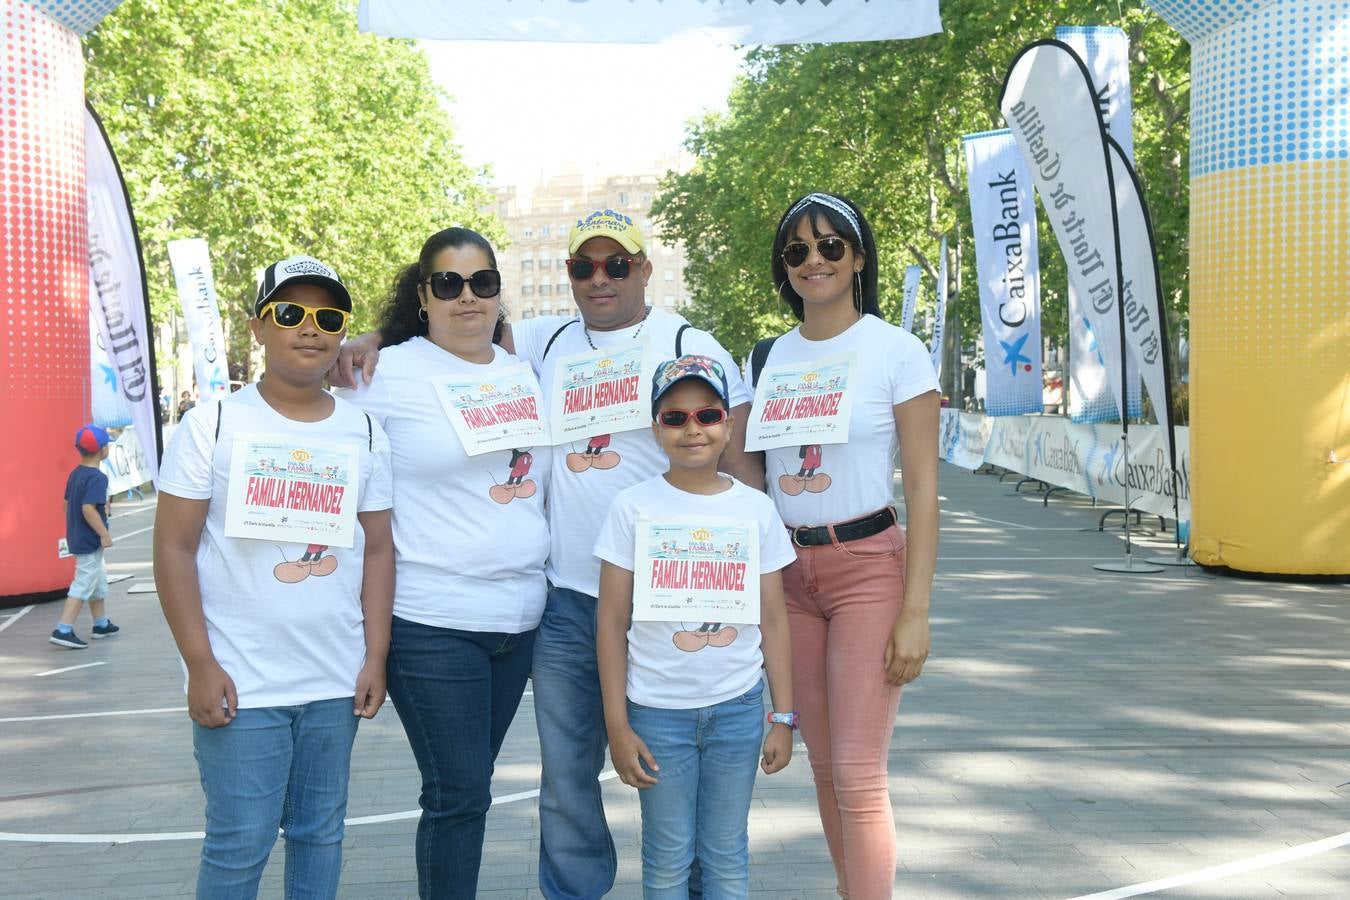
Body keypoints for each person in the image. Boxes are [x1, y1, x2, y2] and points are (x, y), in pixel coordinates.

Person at [334, 209, 761, 899]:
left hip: (669, 601)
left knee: (678, 771)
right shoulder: (542, 342)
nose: (601, 278)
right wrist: (375, 337)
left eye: (616, 264)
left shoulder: (688, 340)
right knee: (566, 778)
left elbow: (740, 474)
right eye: (583, 266)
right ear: (565, 275)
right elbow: (454, 334)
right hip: (564, 601)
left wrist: (745, 593)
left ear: (644, 268)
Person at [153, 255, 395, 900]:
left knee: (320, 836)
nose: (309, 329)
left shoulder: (365, 428)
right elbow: (173, 550)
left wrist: (375, 656)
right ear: (258, 327)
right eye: (289, 313)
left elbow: (375, 551)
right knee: (240, 842)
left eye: (328, 316)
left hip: (333, 680)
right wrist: (200, 664)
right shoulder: (214, 424)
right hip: (241, 679)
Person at [338, 227, 549, 899]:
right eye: (449, 284)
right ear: (423, 295)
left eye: (482, 282)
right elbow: (311, 430)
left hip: (518, 622)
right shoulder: (387, 373)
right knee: (459, 793)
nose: (467, 298)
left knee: (467, 789)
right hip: (432, 622)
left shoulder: (523, 371)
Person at [753, 192, 939, 899]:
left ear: (859, 256)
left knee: (859, 772)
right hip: (788, 578)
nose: (814, 260)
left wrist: (915, 609)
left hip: (867, 570)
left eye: (832, 245)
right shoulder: (767, 357)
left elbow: (924, 491)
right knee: (826, 769)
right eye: (797, 250)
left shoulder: (895, 350)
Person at [595, 355, 796, 897]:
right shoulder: (631, 507)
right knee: (667, 857)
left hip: (736, 709)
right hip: (657, 714)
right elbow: (611, 623)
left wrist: (783, 716)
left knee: (726, 853)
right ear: (655, 427)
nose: (693, 429)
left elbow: (774, 620)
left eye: (707, 415)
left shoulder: (756, 509)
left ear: (729, 425)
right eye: (675, 417)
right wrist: (618, 725)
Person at [49, 424, 117, 649]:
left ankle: (101, 623)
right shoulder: (97, 478)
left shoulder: (75, 474)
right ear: (103, 450)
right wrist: (104, 534)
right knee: (83, 583)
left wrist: (75, 529)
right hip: (90, 540)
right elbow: (88, 509)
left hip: (78, 537)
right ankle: (63, 629)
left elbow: (66, 505)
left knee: (97, 581)